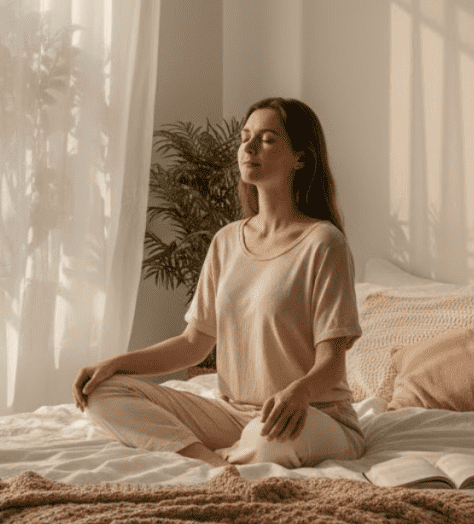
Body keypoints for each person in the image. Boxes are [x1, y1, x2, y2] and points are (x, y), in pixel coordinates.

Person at [72, 97, 364, 468]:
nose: (249, 147)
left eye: (268, 139)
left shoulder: (324, 243)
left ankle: (227, 459)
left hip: (310, 416)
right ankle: (213, 465)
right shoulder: (226, 241)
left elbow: (332, 365)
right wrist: (114, 363)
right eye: (245, 137)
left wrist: (298, 392)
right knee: (103, 394)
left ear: (301, 157)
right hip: (232, 416)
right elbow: (193, 345)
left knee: (269, 439)